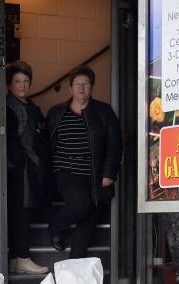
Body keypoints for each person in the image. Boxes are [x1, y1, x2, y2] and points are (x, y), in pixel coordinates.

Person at [46, 66, 123, 258]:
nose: (81, 88)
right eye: (77, 84)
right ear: (71, 88)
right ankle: (55, 227)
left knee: (87, 226)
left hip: (95, 175)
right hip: (66, 171)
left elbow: (115, 143)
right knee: (81, 205)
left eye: (85, 84)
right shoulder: (57, 113)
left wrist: (108, 173)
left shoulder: (104, 112)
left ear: (92, 87)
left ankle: (74, 272)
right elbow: (47, 143)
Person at [6, 61, 49, 274]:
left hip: (33, 168)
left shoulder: (31, 106)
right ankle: (22, 257)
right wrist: (19, 163)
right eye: (17, 82)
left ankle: (16, 257)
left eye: (26, 81)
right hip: (20, 170)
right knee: (20, 213)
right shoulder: (10, 108)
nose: (22, 85)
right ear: (9, 85)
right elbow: (11, 143)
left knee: (24, 211)